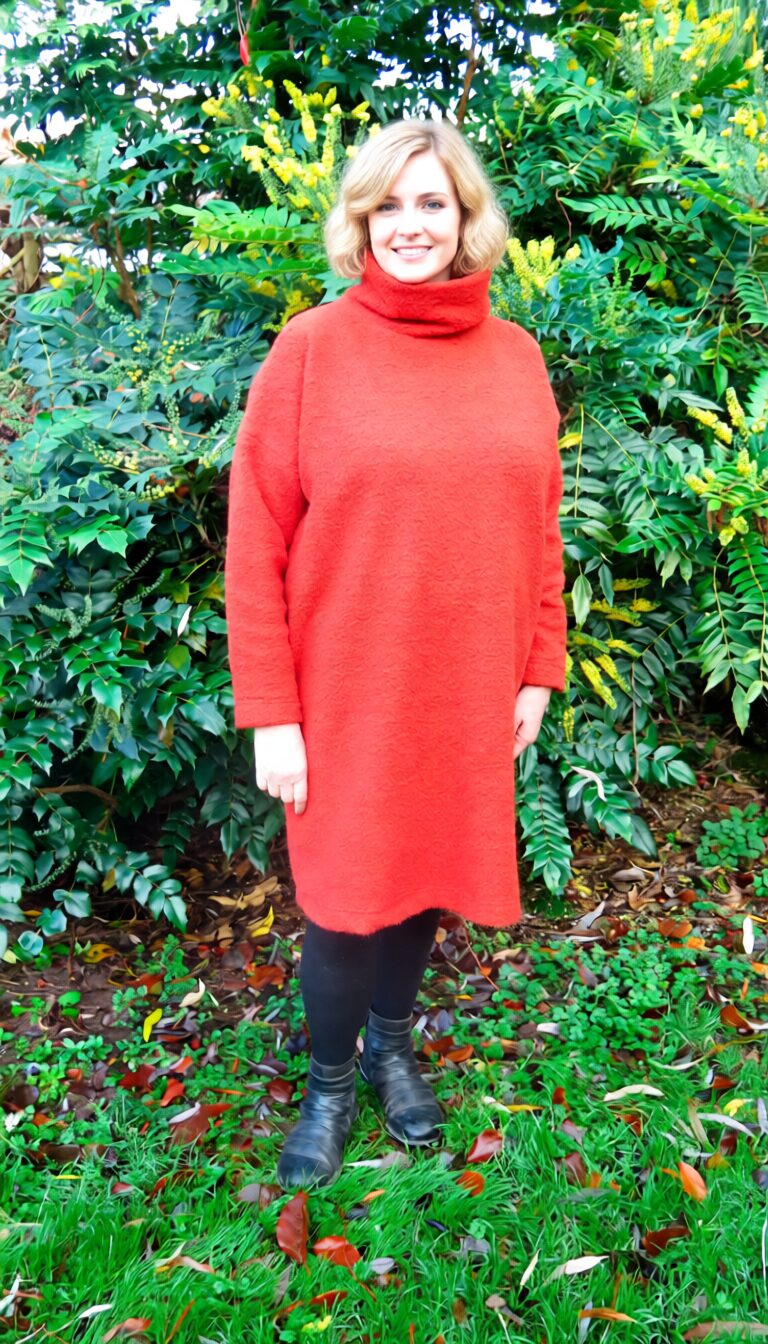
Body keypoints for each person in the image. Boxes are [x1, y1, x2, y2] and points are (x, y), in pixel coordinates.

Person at [224, 117, 568, 1189]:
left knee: (425, 881)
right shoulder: (311, 350)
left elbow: (541, 528)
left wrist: (539, 668)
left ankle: (391, 1049)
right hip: (345, 691)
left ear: (467, 219)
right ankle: (329, 1086)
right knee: (342, 901)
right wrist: (272, 713)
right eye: (388, 205)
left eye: (433, 203)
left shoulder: (517, 358)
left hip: (466, 683)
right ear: (360, 220)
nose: (410, 224)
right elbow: (256, 540)